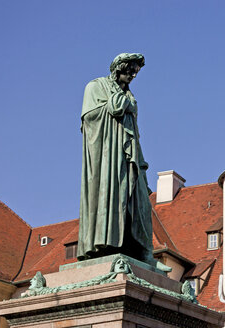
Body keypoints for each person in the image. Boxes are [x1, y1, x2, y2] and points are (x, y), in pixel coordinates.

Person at [78, 53, 155, 265]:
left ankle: (143, 252)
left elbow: (133, 131)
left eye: (135, 72)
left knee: (141, 202)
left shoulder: (129, 96)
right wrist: (117, 105)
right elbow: (89, 120)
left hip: (129, 158)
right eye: (129, 70)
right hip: (107, 160)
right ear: (118, 67)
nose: (132, 75)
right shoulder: (95, 86)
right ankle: (108, 244)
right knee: (114, 198)